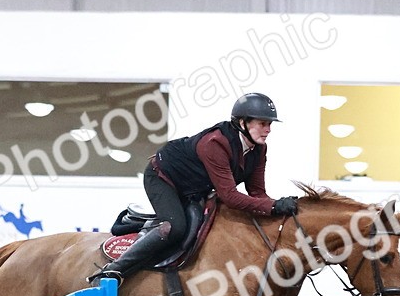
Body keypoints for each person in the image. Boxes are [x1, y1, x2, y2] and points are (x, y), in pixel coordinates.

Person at [88, 92, 299, 285]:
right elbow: (231, 197)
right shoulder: (215, 143)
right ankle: (113, 271)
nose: (268, 130)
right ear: (242, 122)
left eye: (270, 124)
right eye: (263, 124)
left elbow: (257, 194)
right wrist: (274, 206)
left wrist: (277, 207)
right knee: (175, 227)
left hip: (196, 187)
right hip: (163, 177)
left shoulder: (258, 149)